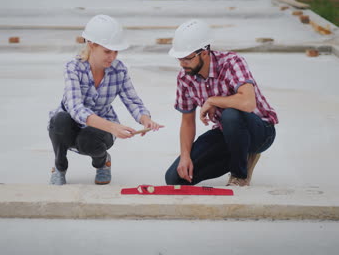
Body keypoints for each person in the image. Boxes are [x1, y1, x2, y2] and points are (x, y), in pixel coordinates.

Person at [48, 15, 163, 185]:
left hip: (98, 131)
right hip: (71, 125)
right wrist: (114, 127)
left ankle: (102, 163)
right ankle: (59, 167)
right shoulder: (73, 68)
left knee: (87, 139)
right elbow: (75, 108)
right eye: (108, 51)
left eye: (116, 51)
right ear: (92, 45)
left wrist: (145, 119)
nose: (112, 57)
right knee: (59, 120)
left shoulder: (119, 70)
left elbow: (132, 101)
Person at [165, 19, 278, 187]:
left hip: (260, 131)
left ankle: (239, 174)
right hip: (227, 134)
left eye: (187, 58)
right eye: (179, 58)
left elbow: (248, 103)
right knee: (176, 179)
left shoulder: (231, 62)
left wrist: (213, 100)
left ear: (204, 52)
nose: (182, 64)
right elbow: (187, 122)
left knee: (230, 114)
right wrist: (185, 157)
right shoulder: (184, 78)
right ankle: (240, 155)